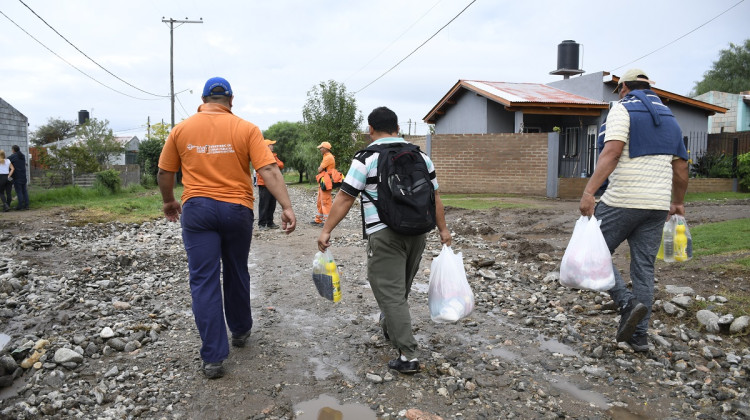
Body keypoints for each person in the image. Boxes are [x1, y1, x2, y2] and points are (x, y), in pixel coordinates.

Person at [157, 76, 297, 379]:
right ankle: (241, 330)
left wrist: (169, 201)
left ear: (203, 100)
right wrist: (286, 206)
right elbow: (268, 169)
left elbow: (165, 171)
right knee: (236, 269)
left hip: (197, 210)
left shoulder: (181, 129)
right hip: (237, 210)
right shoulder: (247, 128)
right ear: (230, 100)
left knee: (204, 280)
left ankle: (213, 358)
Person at [317, 106, 451, 374]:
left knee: (390, 293)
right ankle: (391, 329)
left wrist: (326, 230)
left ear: (371, 130)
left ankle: (408, 355)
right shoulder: (421, 157)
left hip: (384, 233)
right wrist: (443, 231)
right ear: (397, 128)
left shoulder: (365, 159)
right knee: (398, 289)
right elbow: (435, 196)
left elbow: (345, 197)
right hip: (418, 233)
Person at [579, 69, 689, 352]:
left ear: (624, 88)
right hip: (657, 206)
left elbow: (612, 152)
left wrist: (589, 191)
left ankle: (627, 304)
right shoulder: (669, 118)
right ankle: (639, 337)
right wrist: (677, 202)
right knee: (643, 270)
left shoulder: (622, 110)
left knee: (592, 253)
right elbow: (680, 168)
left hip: (622, 200)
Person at [257, 139, 285, 229]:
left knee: (272, 204)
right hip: (264, 184)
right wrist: (273, 165)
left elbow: (281, 164)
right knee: (263, 204)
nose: (273, 146)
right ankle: (261, 224)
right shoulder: (261, 155)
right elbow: (268, 166)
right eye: (271, 145)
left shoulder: (273, 156)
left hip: (273, 184)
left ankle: (270, 222)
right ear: (267, 147)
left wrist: (273, 165)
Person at [311, 141, 335, 226]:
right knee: (320, 201)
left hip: (326, 180)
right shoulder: (326, 156)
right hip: (324, 180)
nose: (320, 149)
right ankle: (318, 220)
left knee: (325, 201)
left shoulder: (328, 157)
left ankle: (328, 222)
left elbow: (319, 169)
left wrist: (320, 168)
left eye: (321, 148)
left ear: (325, 149)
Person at [9, 145, 29, 210]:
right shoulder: (22, 156)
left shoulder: (13, 156)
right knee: (24, 191)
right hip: (23, 176)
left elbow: (6, 161)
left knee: (19, 191)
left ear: (13, 150)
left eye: (12, 149)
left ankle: (20, 206)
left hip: (17, 177)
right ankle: (26, 205)